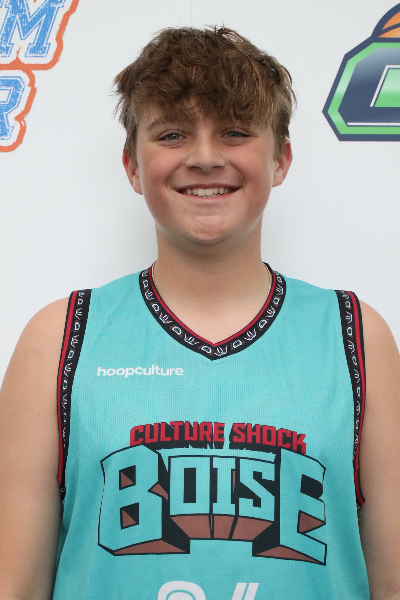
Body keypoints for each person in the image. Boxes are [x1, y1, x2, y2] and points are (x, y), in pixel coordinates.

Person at [0, 26, 399, 600]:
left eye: (235, 132)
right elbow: (16, 586)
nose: (206, 158)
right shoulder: (60, 339)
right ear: (132, 166)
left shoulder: (355, 336)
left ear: (280, 158)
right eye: (172, 134)